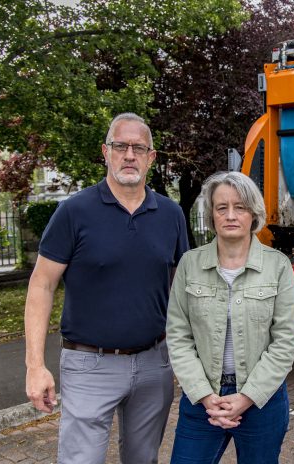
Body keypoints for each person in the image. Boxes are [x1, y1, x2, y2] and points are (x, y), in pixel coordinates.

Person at [24, 112, 189, 464]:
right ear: (105, 151)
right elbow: (41, 285)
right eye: (120, 146)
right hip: (89, 365)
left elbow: (182, 291)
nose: (129, 155)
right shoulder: (74, 212)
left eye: (138, 147)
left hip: (153, 364)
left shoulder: (171, 215)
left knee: (143, 459)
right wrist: (34, 366)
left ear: (151, 157)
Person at [167, 171, 294, 464]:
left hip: (262, 401)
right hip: (203, 401)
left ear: (253, 214)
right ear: (211, 215)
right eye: (221, 207)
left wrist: (246, 398)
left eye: (239, 207)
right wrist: (204, 396)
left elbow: (285, 342)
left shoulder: (277, 267)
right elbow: (178, 336)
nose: (230, 215)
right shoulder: (190, 265)